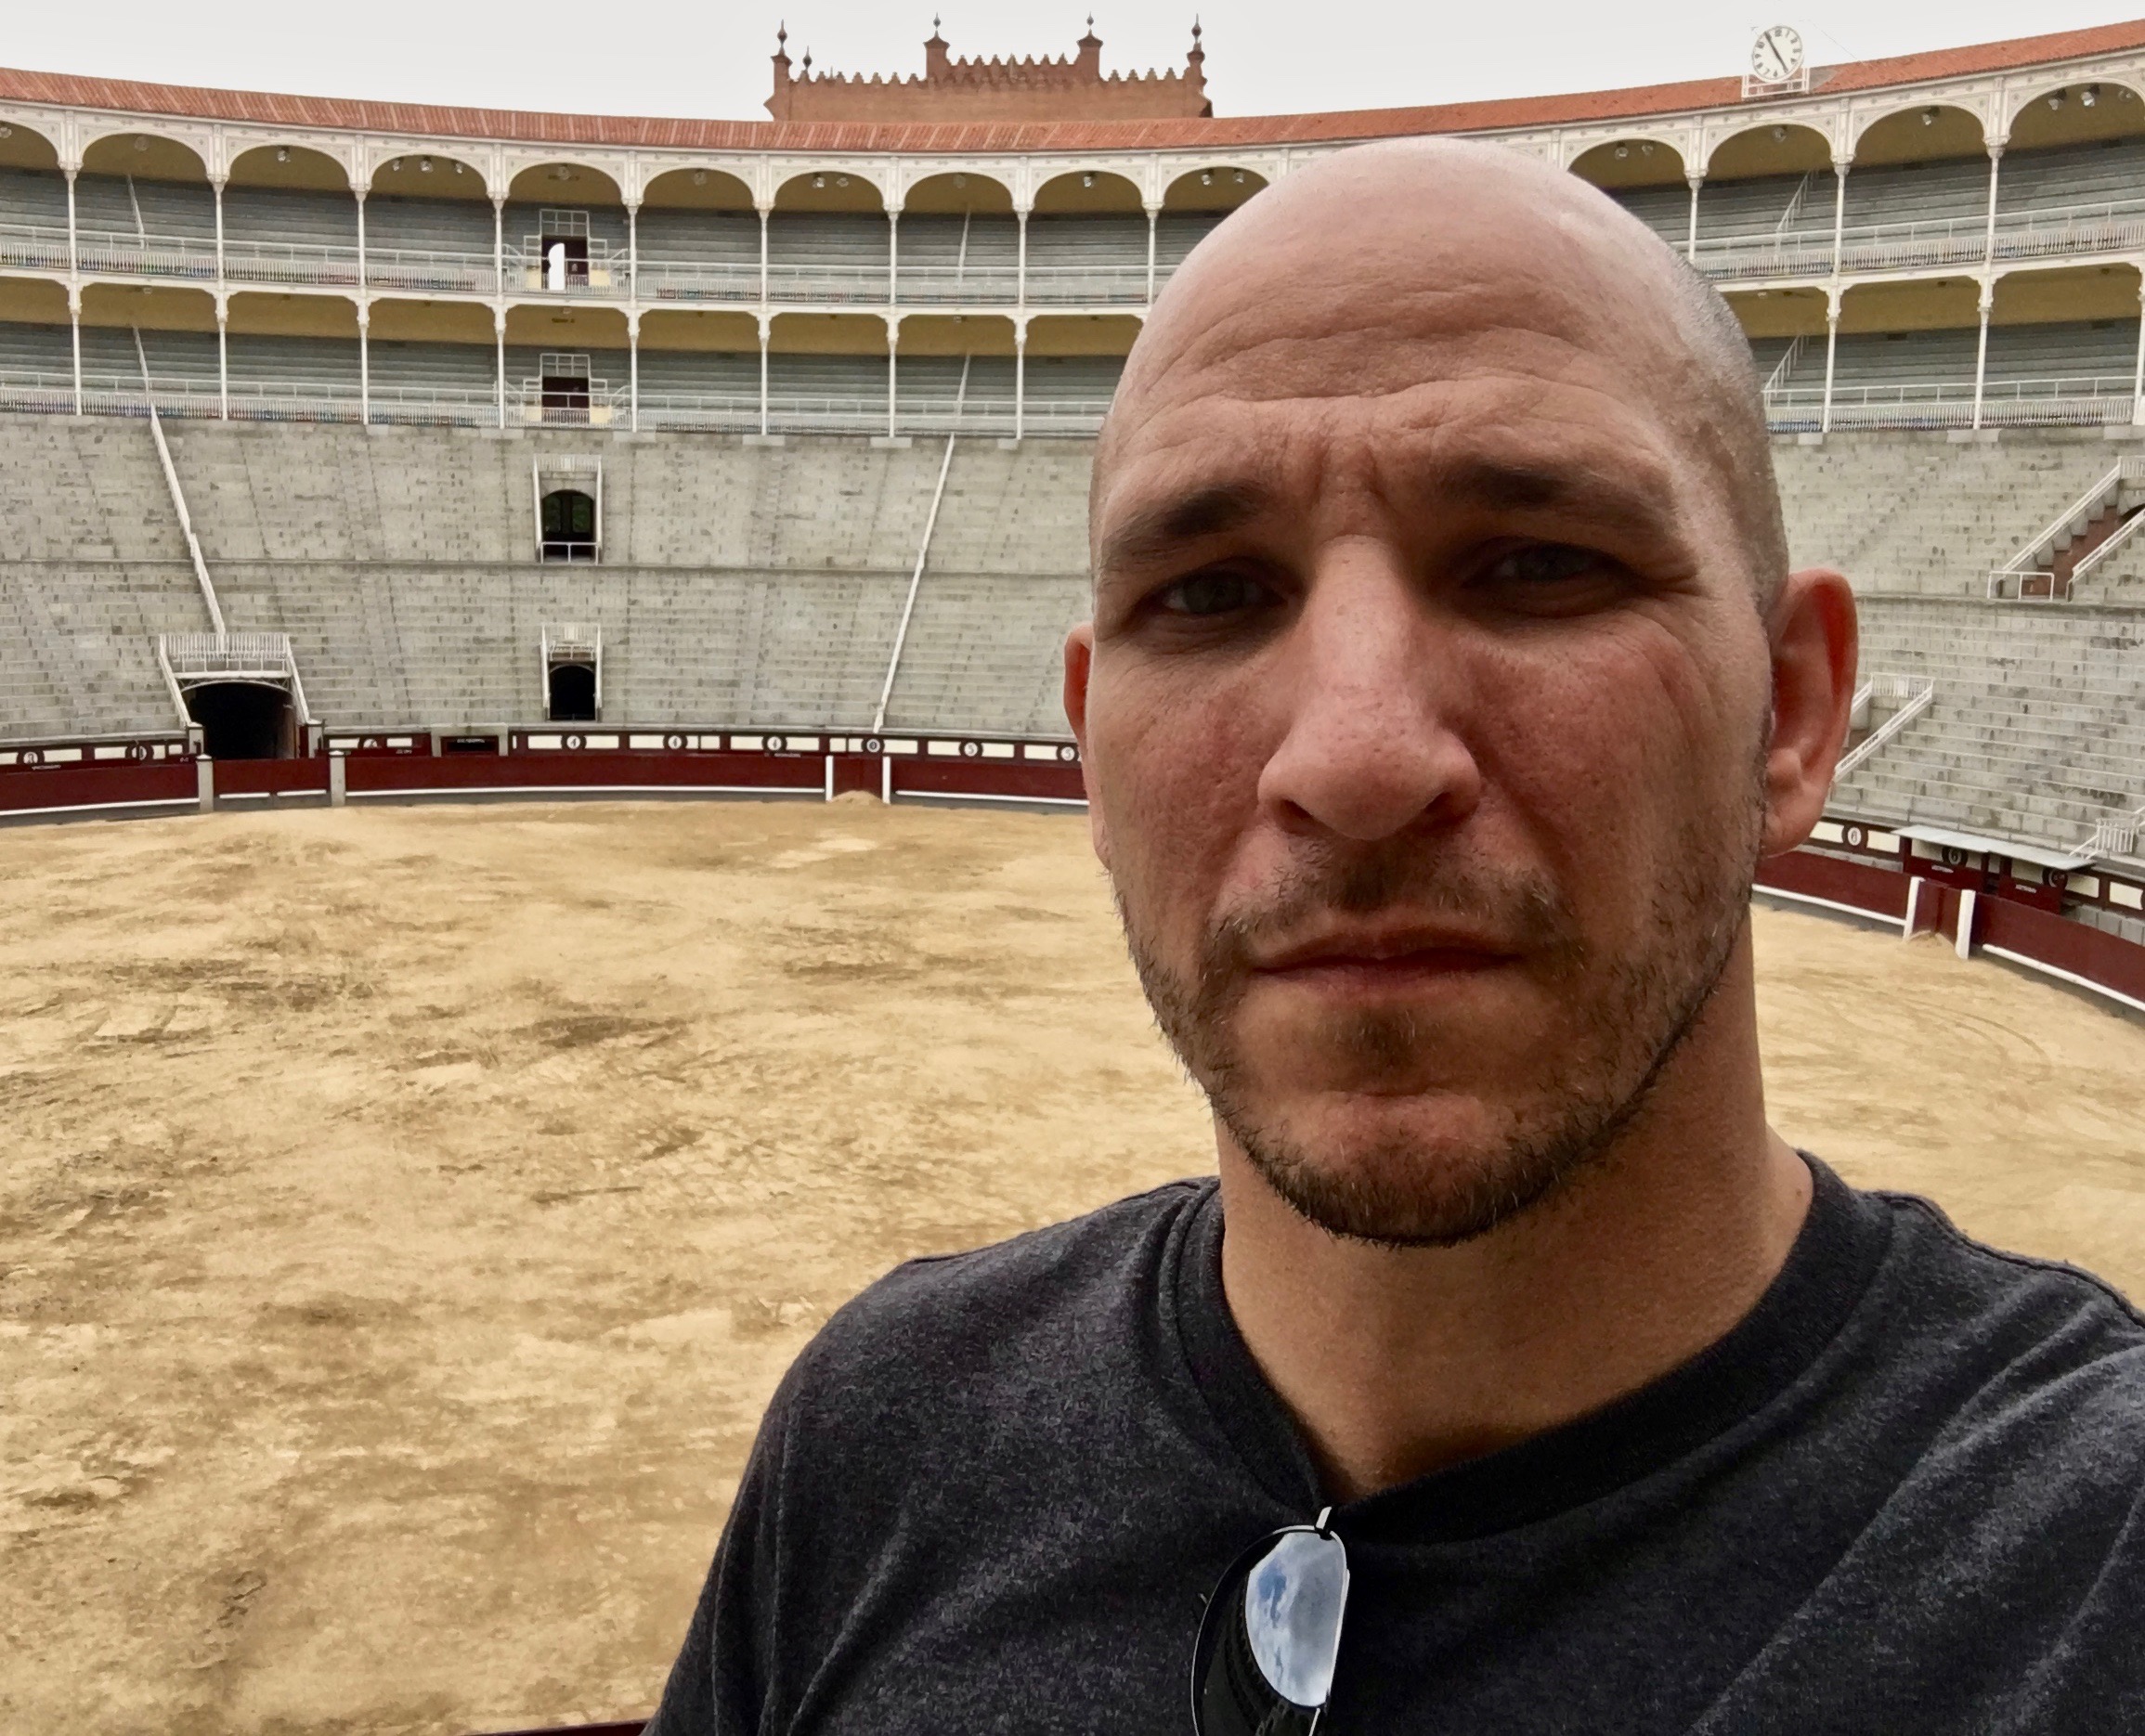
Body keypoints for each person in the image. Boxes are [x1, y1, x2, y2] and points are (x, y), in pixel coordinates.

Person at [645, 139, 2145, 1733]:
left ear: (1787, 709)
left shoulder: (2097, 1564)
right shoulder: (877, 1432)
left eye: (1538, 564)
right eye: (1208, 594)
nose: (1354, 760)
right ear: (1091, 751)